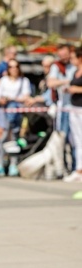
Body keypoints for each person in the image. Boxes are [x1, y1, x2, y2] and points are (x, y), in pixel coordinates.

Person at [0, 59, 32, 177]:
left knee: (14, 138)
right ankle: (0, 163)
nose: (13, 69)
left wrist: (11, 98)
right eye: (11, 67)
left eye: (16, 66)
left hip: (16, 114)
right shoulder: (4, 80)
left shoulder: (24, 81)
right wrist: (3, 99)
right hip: (4, 114)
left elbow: (25, 97)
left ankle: (13, 164)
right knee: (3, 138)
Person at [47, 44, 77, 173]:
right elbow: (51, 83)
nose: (64, 58)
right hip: (64, 108)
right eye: (61, 55)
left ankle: (77, 167)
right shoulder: (57, 67)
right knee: (62, 139)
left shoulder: (76, 65)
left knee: (76, 139)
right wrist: (67, 82)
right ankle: (63, 168)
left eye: (65, 55)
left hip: (76, 107)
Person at [63, 48, 82, 182]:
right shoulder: (75, 71)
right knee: (77, 140)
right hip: (74, 109)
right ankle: (79, 169)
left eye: (73, 57)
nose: (71, 60)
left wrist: (77, 89)